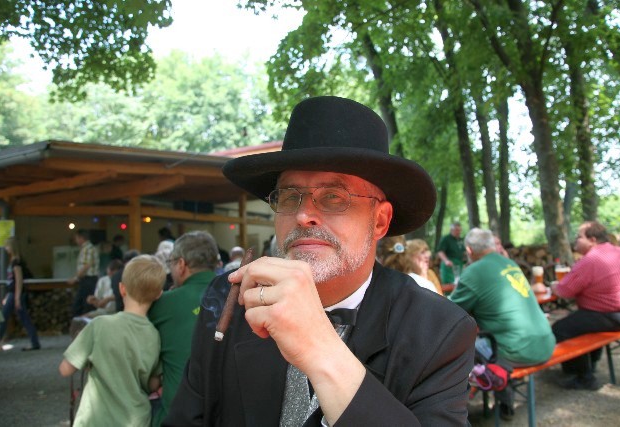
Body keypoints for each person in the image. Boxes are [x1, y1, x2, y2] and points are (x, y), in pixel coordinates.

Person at [165, 96, 476, 426]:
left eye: (333, 197)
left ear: (380, 221)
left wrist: (320, 348)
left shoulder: (439, 330)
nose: (303, 215)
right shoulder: (232, 299)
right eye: (289, 197)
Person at [449, 228, 555, 420]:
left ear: (469, 250)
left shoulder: (474, 271)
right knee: (489, 341)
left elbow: (450, 311)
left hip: (519, 349)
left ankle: (455, 411)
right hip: (546, 342)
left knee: (458, 348)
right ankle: (503, 403)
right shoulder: (509, 263)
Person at [59, 255, 165, 427]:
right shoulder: (155, 336)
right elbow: (152, 383)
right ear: (159, 294)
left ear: (122, 289)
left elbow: (65, 369)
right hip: (136, 419)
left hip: (96, 419)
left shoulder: (100, 325)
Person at [551, 221, 620, 390]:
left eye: (579, 237)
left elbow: (565, 291)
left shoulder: (591, 259)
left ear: (592, 240)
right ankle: (590, 366)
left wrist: (553, 286)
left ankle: (582, 376)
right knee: (584, 323)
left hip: (615, 314)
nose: (575, 241)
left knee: (561, 329)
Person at [148, 231, 220, 427]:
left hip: (177, 415)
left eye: (170, 262)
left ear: (181, 264)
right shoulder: (239, 296)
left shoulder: (163, 304)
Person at [0, 237, 40, 351]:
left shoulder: (16, 262)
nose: (6, 248)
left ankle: (34, 342)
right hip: (12, 293)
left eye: (7, 246)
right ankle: (35, 342)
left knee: (3, 317)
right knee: (24, 318)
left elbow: (18, 280)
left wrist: (17, 297)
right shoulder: (13, 260)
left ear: (12, 247)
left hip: (15, 294)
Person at [68, 229, 100, 317]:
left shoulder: (87, 249)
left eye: (76, 238)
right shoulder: (88, 248)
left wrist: (75, 278)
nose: (76, 241)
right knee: (83, 304)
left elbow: (86, 266)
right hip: (88, 280)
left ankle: (82, 323)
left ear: (81, 238)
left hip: (88, 279)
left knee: (82, 305)